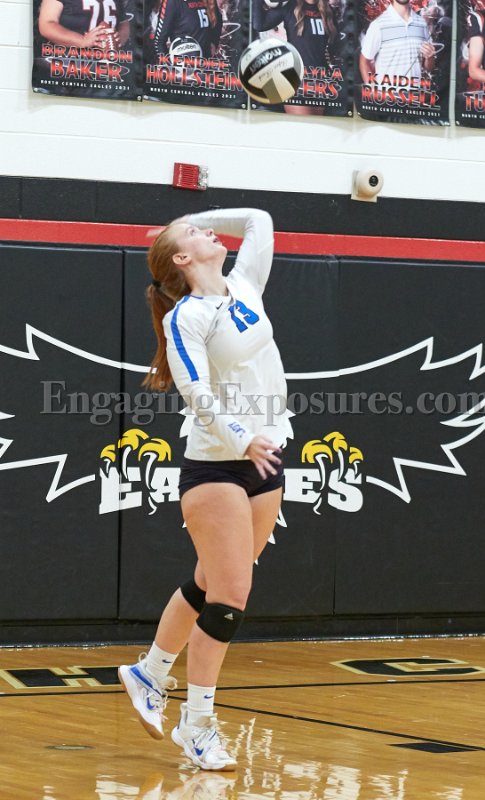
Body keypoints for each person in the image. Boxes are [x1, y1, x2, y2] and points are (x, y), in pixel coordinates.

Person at [118, 209, 291, 771]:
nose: (208, 233)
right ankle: (197, 725)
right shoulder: (185, 317)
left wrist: (192, 215)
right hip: (217, 464)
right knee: (230, 595)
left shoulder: (245, 285)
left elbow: (259, 220)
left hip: (266, 457)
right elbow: (195, 391)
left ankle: (149, 672)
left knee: (211, 580)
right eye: (194, 233)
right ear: (182, 259)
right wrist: (241, 439)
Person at [252, 0, 342, 115]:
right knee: (303, 123)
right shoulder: (290, 7)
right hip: (297, 79)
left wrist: (331, 58)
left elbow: (334, 47)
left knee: (317, 124)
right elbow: (259, 25)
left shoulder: (329, 12)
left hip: (321, 80)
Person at [359, 0, 435, 85]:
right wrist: (372, 88)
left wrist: (429, 57)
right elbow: (364, 61)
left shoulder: (422, 23)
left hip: (416, 92)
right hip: (387, 92)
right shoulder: (378, 25)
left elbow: (428, 68)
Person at [38, 0, 129, 48]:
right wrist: (82, 40)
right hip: (66, 62)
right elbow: (47, 25)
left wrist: (117, 40)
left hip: (107, 64)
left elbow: (123, 23)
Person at [152, 0, 223, 60]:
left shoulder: (209, 1)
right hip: (183, 67)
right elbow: (159, 41)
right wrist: (169, 65)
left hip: (206, 64)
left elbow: (218, 21)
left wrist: (214, 42)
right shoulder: (172, 2)